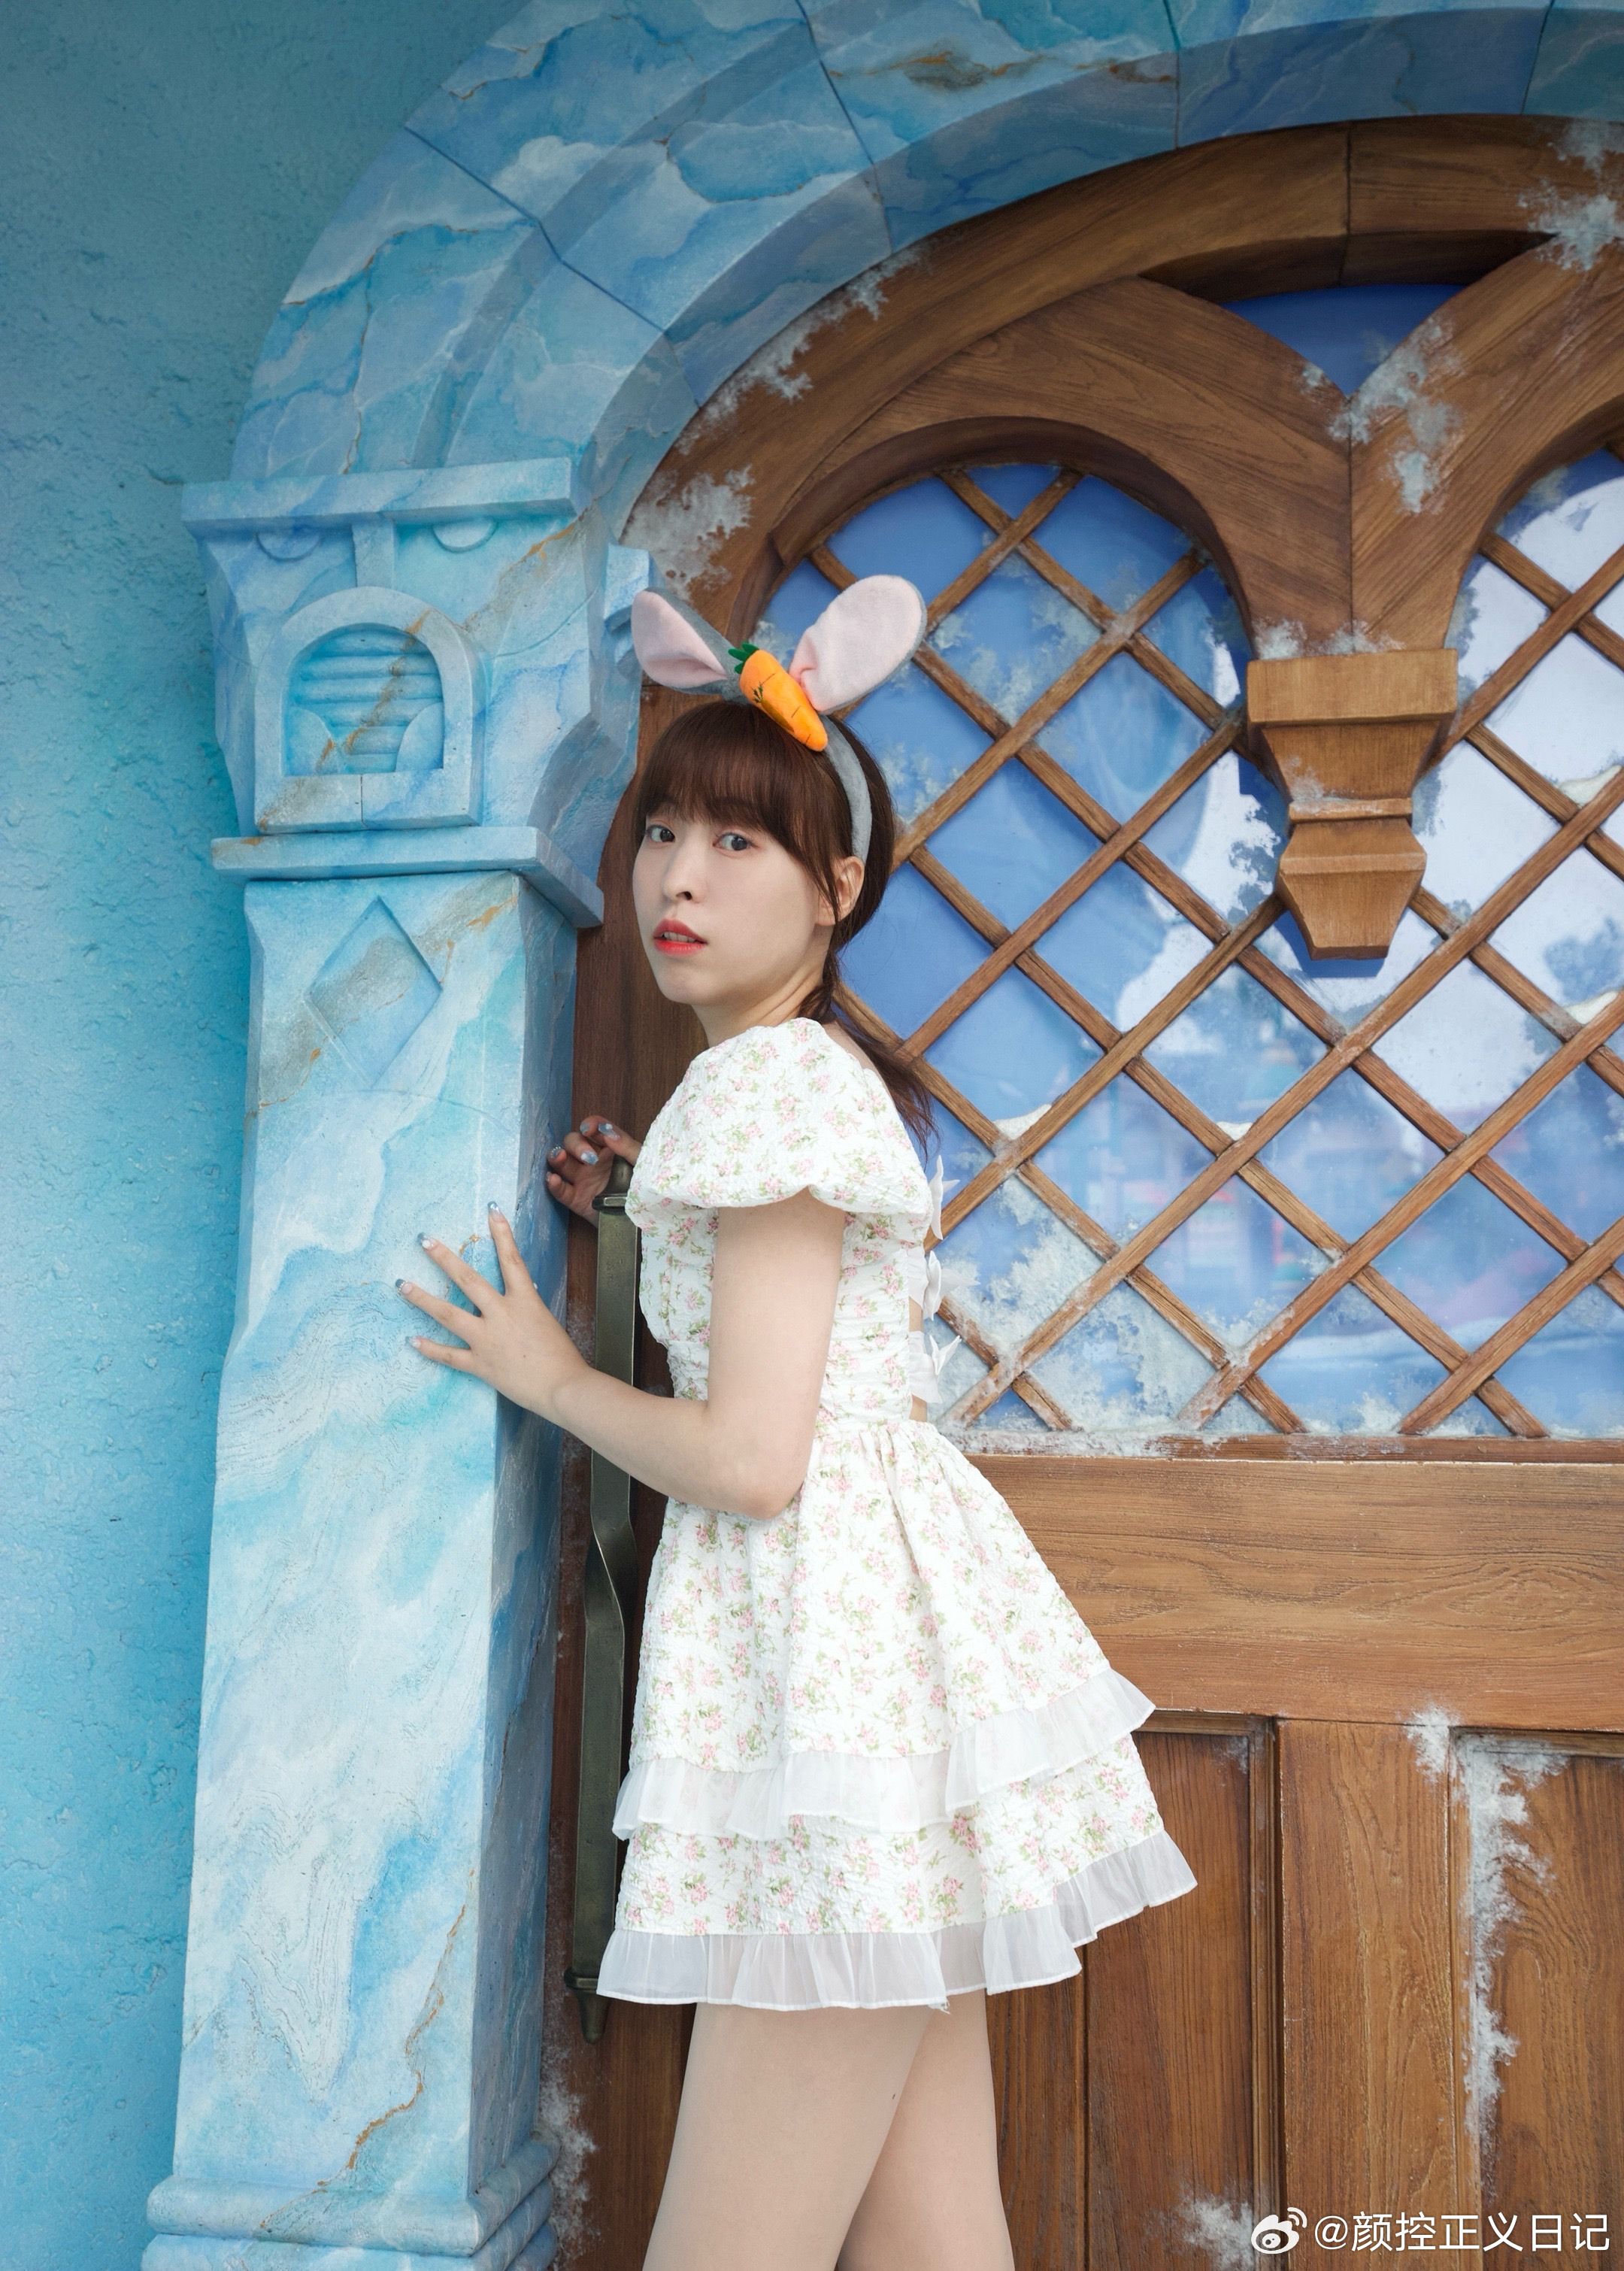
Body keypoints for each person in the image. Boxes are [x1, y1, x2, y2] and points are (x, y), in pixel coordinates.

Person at [396, 575, 1198, 2270]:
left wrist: (548, 1373)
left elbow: (757, 1461)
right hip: (880, 1684)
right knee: (932, 2238)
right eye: (660, 831)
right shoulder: (796, 1082)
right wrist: (647, 1211)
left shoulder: (767, 1086)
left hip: (826, 1696)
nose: (678, 877)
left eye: (738, 842)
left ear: (837, 887)